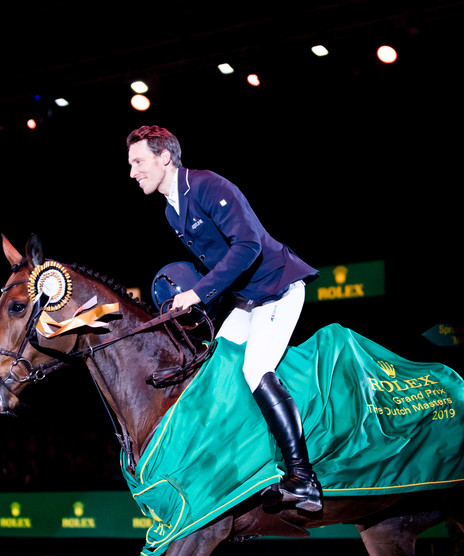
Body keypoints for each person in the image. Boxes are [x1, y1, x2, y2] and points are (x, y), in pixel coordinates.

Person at [126, 125, 323, 511]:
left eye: (138, 161)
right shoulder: (171, 211)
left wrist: (198, 292)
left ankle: (304, 478)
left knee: (254, 370)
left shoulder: (207, 186)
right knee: (215, 366)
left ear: (164, 157)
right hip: (246, 299)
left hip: (277, 289)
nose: (132, 172)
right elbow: (218, 268)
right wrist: (196, 308)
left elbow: (248, 245)